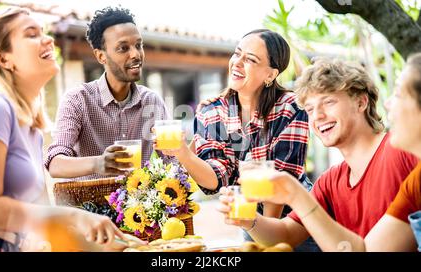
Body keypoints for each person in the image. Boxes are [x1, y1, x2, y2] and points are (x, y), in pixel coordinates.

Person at [0, 8, 140, 252]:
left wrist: (110, 246)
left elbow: (45, 226)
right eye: (31, 34)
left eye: (43, 32)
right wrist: (75, 216)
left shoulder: (32, 129)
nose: (48, 39)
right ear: (3, 59)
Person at [216, 57, 419, 250]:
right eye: (310, 109)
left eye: (328, 102)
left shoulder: (403, 152)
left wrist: (296, 194)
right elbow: (286, 234)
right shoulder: (330, 181)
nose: (318, 116)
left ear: (361, 102)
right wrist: (250, 220)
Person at [158, 29, 312, 242]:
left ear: (271, 74)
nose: (237, 62)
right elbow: (215, 177)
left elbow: (282, 180)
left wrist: (269, 241)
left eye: (250, 59)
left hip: (299, 217)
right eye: (237, 53)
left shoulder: (291, 107)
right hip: (251, 216)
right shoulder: (211, 110)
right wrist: (183, 153)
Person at [45, 6, 170, 180]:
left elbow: (172, 162)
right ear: (101, 56)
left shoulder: (152, 101)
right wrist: (99, 163)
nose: (136, 54)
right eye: (123, 48)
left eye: (138, 45)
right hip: (86, 205)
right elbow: (55, 164)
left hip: (138, 205)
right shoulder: (78, 99)